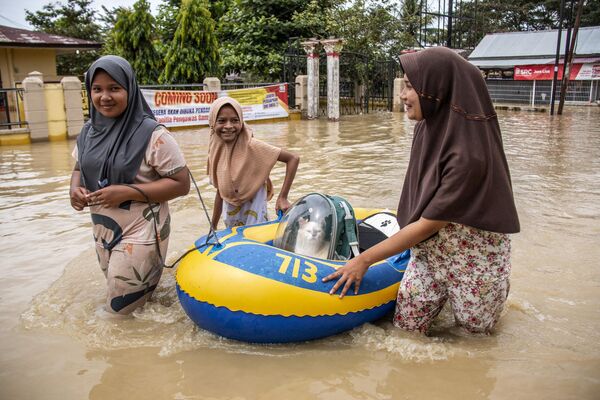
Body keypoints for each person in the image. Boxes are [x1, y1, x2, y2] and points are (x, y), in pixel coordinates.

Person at [323, 47, 520, 335]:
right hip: (429, 254)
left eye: (411, 86)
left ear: (436, 88)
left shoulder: (469, 154)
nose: (402, 95)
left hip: (473, 261)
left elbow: (430, 223)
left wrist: (363, 260)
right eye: (404, 85)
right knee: (406, 328)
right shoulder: (427, 127)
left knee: (474, 338)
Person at [69, 55, 190, 315]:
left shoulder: (153, 135)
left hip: (143, 231)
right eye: (97, 89)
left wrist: (127, 192)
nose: (105, 97)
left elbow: (182, 184)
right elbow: (79, 168)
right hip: (103, 232)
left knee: (116, 314)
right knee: (133, 307)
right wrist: (74, 190)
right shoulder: (88, 132)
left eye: (114, 88)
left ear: (130, 90)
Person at [207, 96, 300, 229]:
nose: (228, 126)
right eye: (221, 121)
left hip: (255, 211)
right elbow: (220, 191)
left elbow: (293, 158)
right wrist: (213, 227)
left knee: (254, 238)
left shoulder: (252, 145)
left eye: (234, 120)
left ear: (241, 121)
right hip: (231, 213)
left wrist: (283, 197)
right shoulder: (216, 149)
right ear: (212, 123)